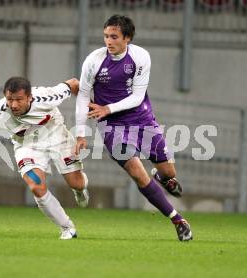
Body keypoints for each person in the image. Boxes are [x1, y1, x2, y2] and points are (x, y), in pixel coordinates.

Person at [75, 15, 192, 241]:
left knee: (169, 173)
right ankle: (177, 219)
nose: (108, 41)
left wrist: (107, 107)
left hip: (142, 119)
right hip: (112, 126)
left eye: (114, 37)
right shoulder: (94, 61)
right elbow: (82, 96)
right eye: (106, 36)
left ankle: (162, 177)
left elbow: (138, 97)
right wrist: (80, 133)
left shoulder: (140, 57)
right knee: (137, 173)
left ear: (127, 38)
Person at [0, 77, 89, 240]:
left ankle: (80, 190)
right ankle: (67, 228)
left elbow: (74, 83)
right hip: (27, 146)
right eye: (10, 99)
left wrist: (93, 101)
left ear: (30, 97)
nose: (13, 105)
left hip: (57, 135)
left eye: (19, 100)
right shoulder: (0, 110)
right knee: (36, 186)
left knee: (76, 183)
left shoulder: (46, 96)